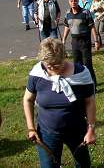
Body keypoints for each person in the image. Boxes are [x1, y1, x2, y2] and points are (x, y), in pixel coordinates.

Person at [23, 38, 96, 167]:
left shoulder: (81, 73)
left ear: (65, 56)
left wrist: (90, 129)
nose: (51, 68)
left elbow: (90, 101)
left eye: (56, 64)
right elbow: (28, 99)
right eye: (47, 65)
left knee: (83, 164)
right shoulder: (37, 74)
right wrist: (31, 128)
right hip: (47, 132)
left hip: (77, 130)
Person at [62, 0, 100, 88]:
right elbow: (67, 27)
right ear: (69, 2)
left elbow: (92, 27)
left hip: (85, 42)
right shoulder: (67, 13)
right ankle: (80, 84)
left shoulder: (85, 12)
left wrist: (96, 41)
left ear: (78, 1)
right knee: (76, 65)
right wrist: (63, 41)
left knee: (87, 65)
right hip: (74, 42)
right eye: (71, 1)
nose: (73, 3)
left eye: (75, 1)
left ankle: (93, 86)